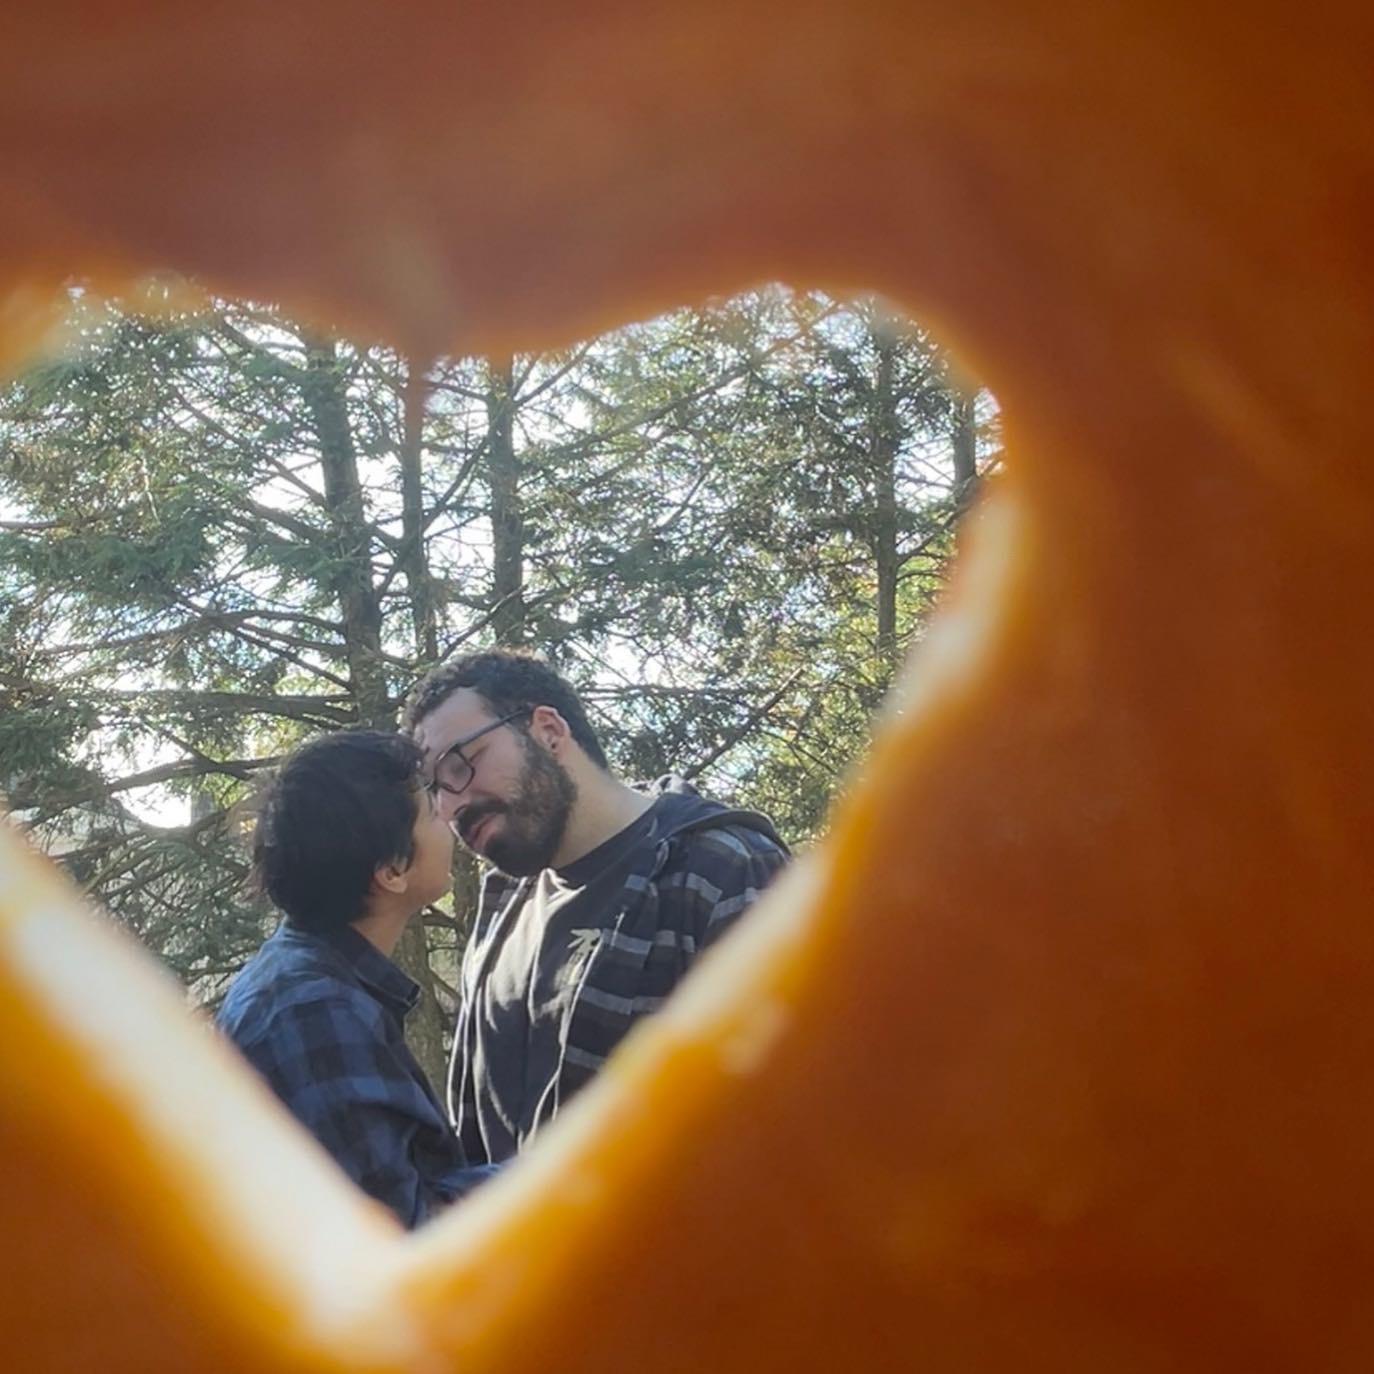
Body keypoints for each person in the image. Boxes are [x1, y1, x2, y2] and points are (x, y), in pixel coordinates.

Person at [406, 649, 789, 1165]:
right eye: (435, 790)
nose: (451, 806)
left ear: (547, 730)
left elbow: (794, 1122)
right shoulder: (501, 906)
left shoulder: (723, 871)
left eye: (460, 765)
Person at [217, 730, 495, 1227]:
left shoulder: (307, 985)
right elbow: (405, 1238)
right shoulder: (313, 1011)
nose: (448, 815)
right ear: (392, 870)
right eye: (431, 810)